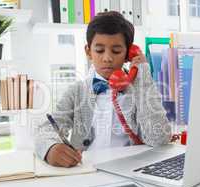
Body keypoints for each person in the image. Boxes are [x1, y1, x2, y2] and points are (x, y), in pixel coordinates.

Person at [35, 11, 171, 168]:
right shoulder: (77, 91)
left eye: (116, 51)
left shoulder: (139, 89)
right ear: (88, 51)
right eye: (99, 50)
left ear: (128, 53)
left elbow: (159, 139)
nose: (107, 58)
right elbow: (45, 130)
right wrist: (50, 149)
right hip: (87, 171)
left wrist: (143, 77)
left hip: (131, 170)